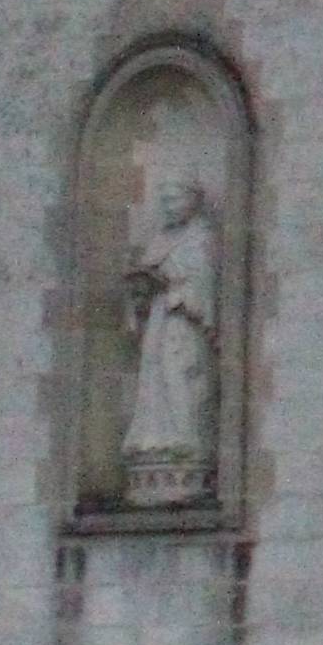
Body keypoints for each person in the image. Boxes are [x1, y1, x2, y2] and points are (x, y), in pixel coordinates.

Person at [120, 171, 225, 499]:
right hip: (159, 321)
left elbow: (204, 285)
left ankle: (187, 445)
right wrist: (141, 292)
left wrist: (174, 288)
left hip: (183, 323)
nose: (169, 206)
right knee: (155, 380)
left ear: (193, 200)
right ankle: (155, 445)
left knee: (180, 376)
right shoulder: (160, 240)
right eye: (164, 201)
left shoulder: (203, 238)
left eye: (174, 199)